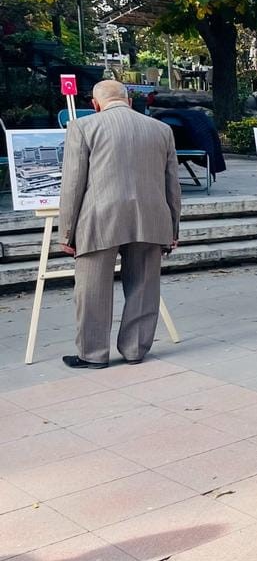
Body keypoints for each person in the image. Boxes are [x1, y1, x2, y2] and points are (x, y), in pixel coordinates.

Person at [58, 80, 181, 368]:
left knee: (91, 289)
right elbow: (172, 184)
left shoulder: (83, 127)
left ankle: (93, 354)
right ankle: (135, 349)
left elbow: (73, 184)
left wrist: (66, 231)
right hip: (151, 217)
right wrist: (173, 229)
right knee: (144, 286)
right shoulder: (162, 130)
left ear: (95, 104)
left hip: (100, 217)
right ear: (128, 100)